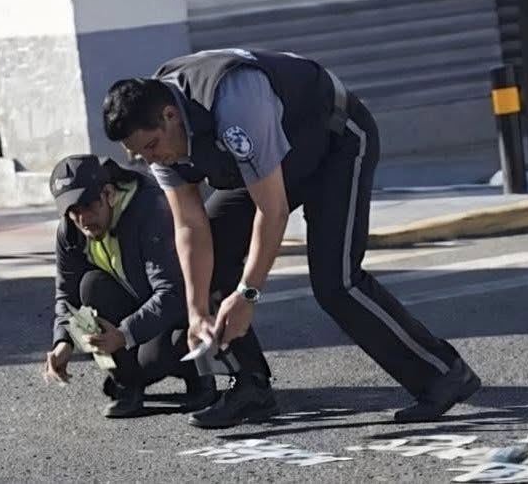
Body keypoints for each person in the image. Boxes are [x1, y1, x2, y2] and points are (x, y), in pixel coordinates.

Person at [101, 49, 481, 429]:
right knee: (210, 256)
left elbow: (273, 210)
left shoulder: (235, 105)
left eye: (152, 147)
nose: (152, 160)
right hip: (269, 165)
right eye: (139, 155)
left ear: (170, 116)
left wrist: (248, 294)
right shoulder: (159, 140)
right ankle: (250, 386)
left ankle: (443, 374)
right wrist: (197, 310)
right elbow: (189, 225)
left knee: (336, 283)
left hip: (335, 144)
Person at [45, 154, 216, 417]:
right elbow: (66, 295)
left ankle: (200, 378)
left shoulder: (149, 209)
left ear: (109, 194)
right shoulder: (70, 231)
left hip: (181, 311)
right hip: (135, 307)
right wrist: (63, 342)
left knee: (160, 356)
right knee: (91, 286)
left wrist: (124, 334)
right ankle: (129, 386)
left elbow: (173, 293)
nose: (83, 218)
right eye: (74, 211)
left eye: (89, 205)